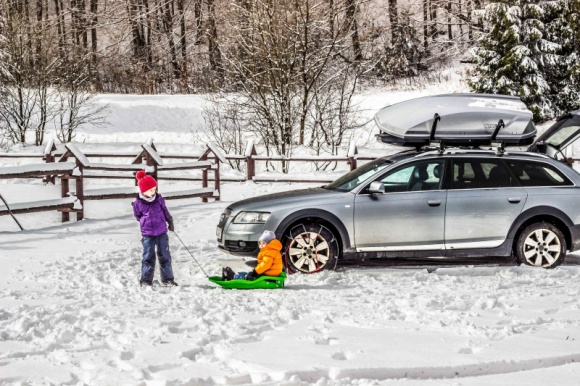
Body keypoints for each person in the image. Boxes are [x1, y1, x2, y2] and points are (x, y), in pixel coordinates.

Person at [132, 170, 177, 287]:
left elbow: (165, 211)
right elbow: (138, 215)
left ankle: (168, 279)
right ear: (144, 190)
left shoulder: (158, 199)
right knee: (148, 257)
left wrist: (170, 221)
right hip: (147, 234)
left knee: (165, 255)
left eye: (154, 189)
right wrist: (145, 222)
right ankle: (146, 280)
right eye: (151, 190)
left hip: (161, 232)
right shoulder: (138, 203)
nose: (154, 191)